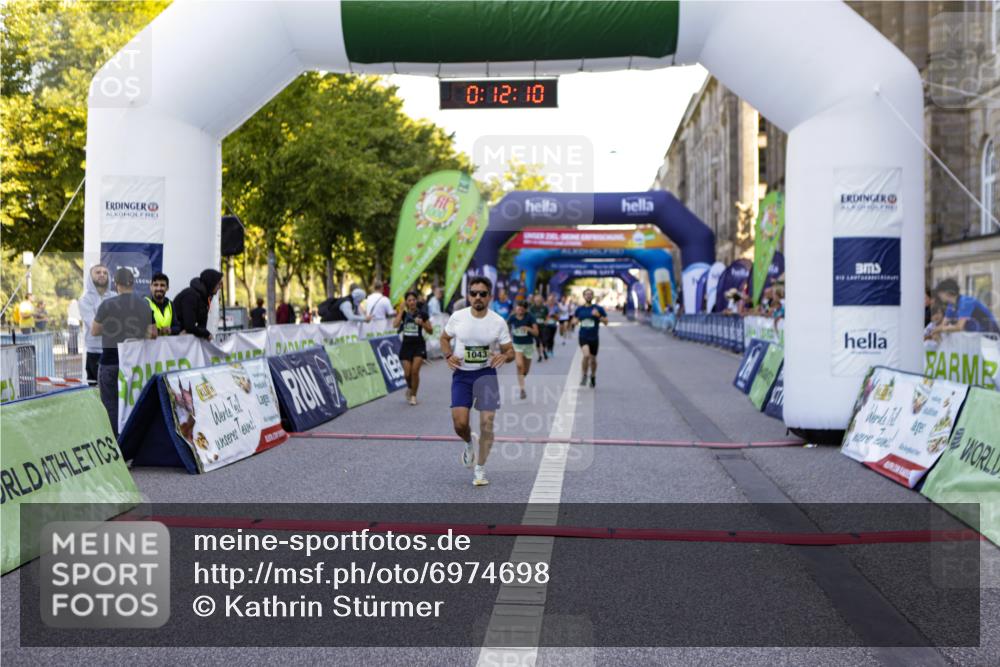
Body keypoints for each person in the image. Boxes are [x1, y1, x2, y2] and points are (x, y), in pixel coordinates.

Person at [441, 276, 514, 487]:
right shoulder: (458, 317)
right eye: (474, 293)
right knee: (460, 423)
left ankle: (480, 470)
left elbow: (509, 350)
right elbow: (444, 339)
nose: (478, 297)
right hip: (462, 375)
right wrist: (447, 355)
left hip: (486, 375)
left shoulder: (498, 322)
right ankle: (468, 444)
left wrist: (505, 356)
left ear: (489, 297)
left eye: (482, 294)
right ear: (468, 295)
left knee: (487, 423)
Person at [92, 268, 156, 438]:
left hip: (110, 362)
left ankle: (116, 444)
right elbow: (153, 334)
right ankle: (133, 443)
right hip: (134, 364)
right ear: (133, 283)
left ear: (116, 284)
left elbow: (94, 331)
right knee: (134, 403)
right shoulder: (144, 305)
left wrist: (113, 327)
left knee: (110, 405)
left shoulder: (107, 304)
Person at [394, 291, 433, 405]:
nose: (412, 302)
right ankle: (410, 388)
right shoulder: (404, 314)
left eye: (414, 300)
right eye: (409, 300)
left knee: (415, 372)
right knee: (407, 374)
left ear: (417, 301)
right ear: (406, 302)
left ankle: (413, 396)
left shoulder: (422, 314)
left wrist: (422, 324)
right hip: (406, 345)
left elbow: (430, 331)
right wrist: (401, 311)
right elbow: (395, 325)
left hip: (419, 345)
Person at [80, 264, 114, 386]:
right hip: (95, 354)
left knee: (113, 395)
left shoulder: (115, 297)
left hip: (114, 352)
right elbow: (95, 329)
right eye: (98, 272)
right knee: (95, 395)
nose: (102, 274)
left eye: (105, 272)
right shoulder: (85, 300)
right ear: (90, 277)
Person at [934, 278, 1000, 334]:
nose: (939, 295)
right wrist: (934, 331)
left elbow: (959, 327)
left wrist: (939, 330)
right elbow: (943, 324)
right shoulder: (951, 305)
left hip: (989, 336)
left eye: (940, 293)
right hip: (976, 337)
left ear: (947, 292)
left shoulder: (965, 302)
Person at [172, 268, 223, 340]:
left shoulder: (205, 298)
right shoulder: (190, 295)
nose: (220, 287)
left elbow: (202, 325)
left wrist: (205, 333)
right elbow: (189, 326)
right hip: (172, 338)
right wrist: (206, 334)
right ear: (211, 282)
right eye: (219, 283)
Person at [572, 288, 608, 388]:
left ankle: (593, 376)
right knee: (586, 355)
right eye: (587, 294)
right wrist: (574, 322)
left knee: (593, 359)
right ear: (584, 296)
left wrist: (598, 316)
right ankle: (584, 375)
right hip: (583, 336)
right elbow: (574, 320)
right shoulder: (580, 309)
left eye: (590, 294)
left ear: (593, 296)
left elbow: (606, 322)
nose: (588, 296)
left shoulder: (598, 309)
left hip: (594, 337)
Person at [506, 300, 539, 400]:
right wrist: (508, 337)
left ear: (525, 309)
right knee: (519, 365)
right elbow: (505, 327)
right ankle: (522, 389)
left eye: (522, 308)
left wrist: (528, 329)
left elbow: (536, 333)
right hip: (517, 345)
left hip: (528, 345)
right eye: (518, 307)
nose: (519, 310)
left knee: (525, 370)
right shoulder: (512, 317)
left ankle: (522, 378)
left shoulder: (530, 317)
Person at [528, 294, 549, 362]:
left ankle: (544, 351)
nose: (537, 301)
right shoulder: (532, 308)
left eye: (539, 300)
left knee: (544, 341)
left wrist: (546, 321)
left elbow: (547, 316)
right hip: (535, 327)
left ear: (541, 300)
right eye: (536, 300)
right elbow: (529, 317)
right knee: (537, 342)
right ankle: (539, 355)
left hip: (543, 326)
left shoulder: (544, 308)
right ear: (534, 300)